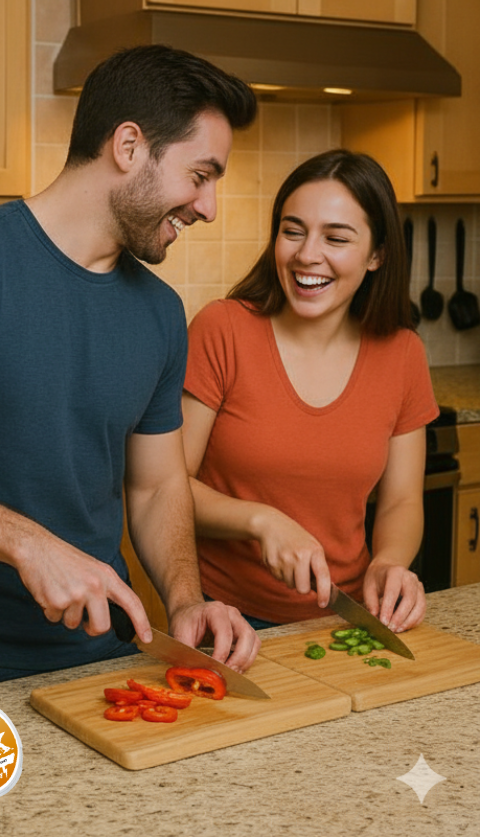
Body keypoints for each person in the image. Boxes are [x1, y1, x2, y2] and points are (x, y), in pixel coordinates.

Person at [0, 45, 262, 681]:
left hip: (100, 664)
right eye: (200, 175)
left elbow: (156, 486)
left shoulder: (161, 314)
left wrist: (186, 600)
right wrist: (26, 543)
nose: (209, 206)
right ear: (129, 145)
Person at [182, 149, 438, 635]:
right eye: (292, 230)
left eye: (336, 238)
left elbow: (402, 500)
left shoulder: (403, 353)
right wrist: (261, 521)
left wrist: (387, 563)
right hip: (225, 619)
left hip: (348, 619)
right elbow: (167, 488)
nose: (306, 254)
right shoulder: (223, 329)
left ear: (377, 254)